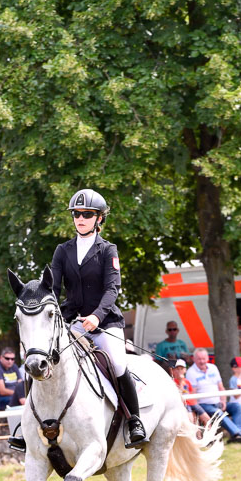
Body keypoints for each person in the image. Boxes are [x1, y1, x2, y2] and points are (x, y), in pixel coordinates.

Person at [50, 187, 145, 447]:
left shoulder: (108, 250)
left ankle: (134, 420)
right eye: (76, 214)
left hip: (105, 323)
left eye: (87, 214)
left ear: (99, 218)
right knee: (45, 360)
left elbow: (112, 288)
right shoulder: (62, 250)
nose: (80, 218)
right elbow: (54, 288)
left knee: (116, 363)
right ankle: (30, 425)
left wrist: (96, 316)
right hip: (72, 322)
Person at [186, 348, 241, 443]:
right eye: (199, 359)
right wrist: (199, 411)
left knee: (238, 407)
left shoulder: (213, 368)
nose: (202, 361)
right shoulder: (191, 372)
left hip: (218, 402)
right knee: (218, 413)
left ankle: (239, 434)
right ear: (194, 359)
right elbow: (193, 394)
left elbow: (221, 387)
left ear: (208, 358)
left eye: (204, 358)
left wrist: (223, 401)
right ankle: (238, 434)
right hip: (204, 405)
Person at [172, 359, 209, 426]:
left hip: (193, 403)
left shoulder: (187, 381)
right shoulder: (173, 382)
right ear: (173, 371)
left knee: (207, 419)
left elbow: (191, 392)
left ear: (185, 370)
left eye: (181, 369)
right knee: (191, 421)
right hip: (185, 404)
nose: (179, 371)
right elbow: (179, 394)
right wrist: (180, 382)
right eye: (177, 369)